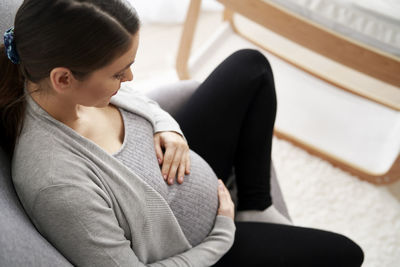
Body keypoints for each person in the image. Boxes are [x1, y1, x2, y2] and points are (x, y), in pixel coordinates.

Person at [0, 0, 364, 266]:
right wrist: (222, 231)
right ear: (63, 79)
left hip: (191, 175)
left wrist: (168, 127)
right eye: (118, 73)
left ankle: (255, 206)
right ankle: (242, 221)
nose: (129, 79)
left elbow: (136, 98)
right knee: (346, 254)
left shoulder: (71, 93)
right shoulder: (57, 184)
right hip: (201, 246)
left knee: (249, 68)